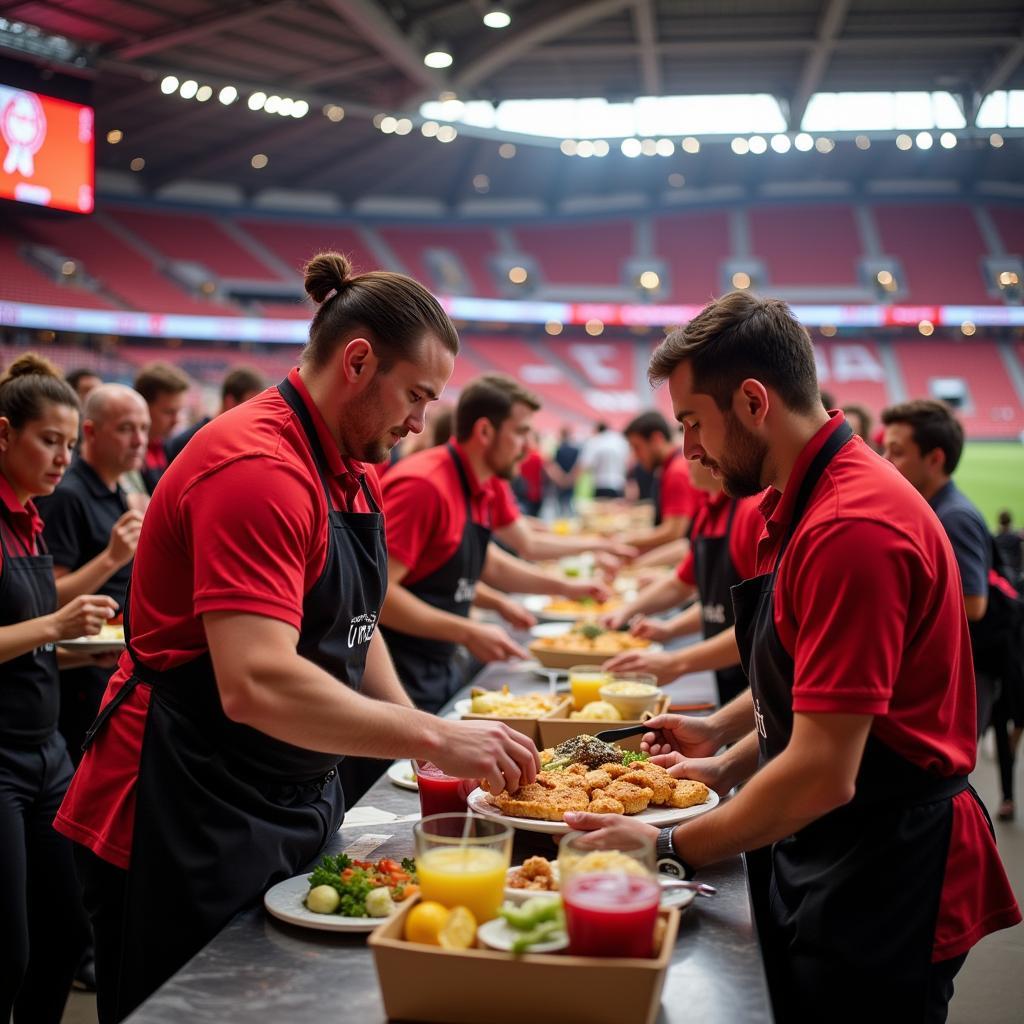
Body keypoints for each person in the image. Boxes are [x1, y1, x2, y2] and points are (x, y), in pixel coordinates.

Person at [54, 254, 539, 1024]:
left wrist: (421, 732)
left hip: (276, 792)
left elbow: (356, 625)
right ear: (357, 361)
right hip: (183, 802)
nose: (420, 421)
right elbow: (257, 683)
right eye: (415, 395)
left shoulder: (351, 465)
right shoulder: (258, 466)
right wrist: (433, 734)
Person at [565, 292, 1020, 1023]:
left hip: (889, 862)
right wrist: (721, 756)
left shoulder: (852, 526)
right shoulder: (811, 499)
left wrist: (670, 846)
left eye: (693, 424)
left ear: (752, 401)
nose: (688, 453)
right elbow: (825, 692)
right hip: (846, 843)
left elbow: (821, 770)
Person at [0, 354, 118, 1024]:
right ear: (2, 434)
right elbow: (30, 627)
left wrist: (82, 651)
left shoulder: (31, 515)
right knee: (10, 952)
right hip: (3, 761)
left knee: (70, 935)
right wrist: (57, 622)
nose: (61, 458)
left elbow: (30, 645)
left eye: (69, 445)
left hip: (48, 754)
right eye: (49, 441)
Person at [379, 374, 611, 715]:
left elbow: (488, 562)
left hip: (437, 660)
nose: (529, 447)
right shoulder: (424, 486)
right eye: (520, 433)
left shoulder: (484, 481)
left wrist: (566, 588)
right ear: (485, 432)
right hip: (395, 670)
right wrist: (470, 631)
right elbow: (377, 596)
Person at [35, 384, 148, 762]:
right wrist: (112, 558)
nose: (139, 440)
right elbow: (47, 596)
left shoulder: (115, 487)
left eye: (144, 429)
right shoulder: (68, 495)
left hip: (103, 660)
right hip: (75, 680)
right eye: (126, 429)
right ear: (90, 432)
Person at [601, 458, 763, 705]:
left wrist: (677, 662)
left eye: (696, 428)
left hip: (756, 681)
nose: (686, 454)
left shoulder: (751, 512)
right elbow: (696, 592)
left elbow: (761, 624)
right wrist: (631, 614)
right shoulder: (709, 511)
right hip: (727, 674)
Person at [880, 400, 996, 735]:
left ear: (935, 459)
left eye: (897, 451)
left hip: (960, 679)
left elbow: (975, 603)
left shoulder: (953, 518)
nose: (886, 461)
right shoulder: (931, 509)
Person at [620, 410, 702, 555]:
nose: (635, 456)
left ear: (657, 439)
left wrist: (624, 540)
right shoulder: (670, 466)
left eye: (637, 447)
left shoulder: (676, 471)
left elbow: (674, 531)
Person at [165, 366, 265, 462]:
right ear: (230, 402)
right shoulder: (186, 443)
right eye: (250, 406)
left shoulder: (243, 442)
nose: (255, 414)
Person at [132, 362, 190, 493]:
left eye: (179, 411)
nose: (176, 420)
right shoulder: (127, 455)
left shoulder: (162, 447)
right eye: (169, 412)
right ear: (143, 406)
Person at [576, 421, 628, 499]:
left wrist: (571, 481)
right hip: (619, 485)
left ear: (597, 430)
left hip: (601, 485)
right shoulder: (620, 440)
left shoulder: (595, 441)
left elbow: (585, 464)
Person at [550, 425, 579, 515]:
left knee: (560, 507)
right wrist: (570, 478)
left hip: (561, 480)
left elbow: (554, 465)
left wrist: (561, 478)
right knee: (569, 504)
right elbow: (577, 465)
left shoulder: (559, 449)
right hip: (570, 480)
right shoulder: (575, 450)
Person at [995, 509, 1022, 584]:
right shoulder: (1016, 538)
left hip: (1001, 574)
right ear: (1010, 522)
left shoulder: (995, 539)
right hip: (1015, 575)